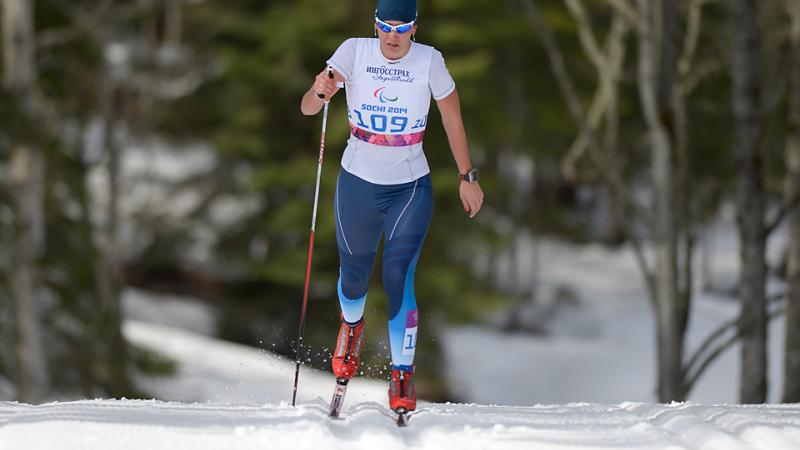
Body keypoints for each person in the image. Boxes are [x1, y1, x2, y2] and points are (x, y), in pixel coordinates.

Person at [300, 0, 483, 413]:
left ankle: (402, 373)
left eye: (403, 27)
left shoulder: (429, 61)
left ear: (415, 29)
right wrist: (319, 89)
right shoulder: (354, 51)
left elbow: (452, 117)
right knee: (353, 279)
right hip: (358, 185)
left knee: (399, 275)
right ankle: (351, 328)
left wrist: (466, 175)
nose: (394, 35)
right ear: (376, 25)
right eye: (386, 26)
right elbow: (309, 108)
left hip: (409, 188)